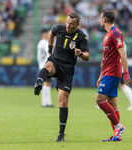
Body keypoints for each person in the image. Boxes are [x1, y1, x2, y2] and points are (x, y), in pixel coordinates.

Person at [34, 12, 90, 142]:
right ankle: (39, 82)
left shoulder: (81, 37)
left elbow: (87, 56)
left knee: (63, 101)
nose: (68, 26)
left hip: (67, 69)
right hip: (56, 61)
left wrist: (81, 54)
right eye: (67, 23)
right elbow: (51, 34)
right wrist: (49, 49)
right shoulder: (58, 28)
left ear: (77, 24)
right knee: (47, 65)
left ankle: (61, 134)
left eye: (71, 24)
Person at [96, 10, 131, 142]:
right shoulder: (108, 34)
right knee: (112, 105)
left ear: (104, 19)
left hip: (113, 72)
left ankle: (118, 126)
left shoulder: (115, 33)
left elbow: (123, 54)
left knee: (99, 100)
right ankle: (118, 136)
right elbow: (106, 58)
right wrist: (101, 75)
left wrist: (125, 73)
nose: (100, 20)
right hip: (107, 72)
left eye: (101, 18)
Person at [37, 27, 53, 107]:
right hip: (45, 66)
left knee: (48, 83)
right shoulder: (44, 42)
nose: (48, 35)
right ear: (44, 34)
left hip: (43, 65)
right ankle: (45, 103)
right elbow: (49, 51)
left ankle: (47, 102)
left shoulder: (40, 43)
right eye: (47, 33)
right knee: (46, 83)